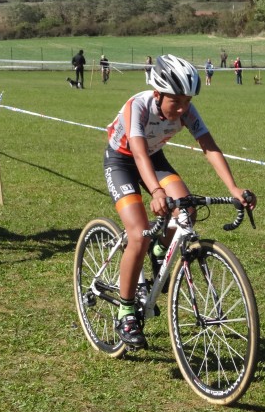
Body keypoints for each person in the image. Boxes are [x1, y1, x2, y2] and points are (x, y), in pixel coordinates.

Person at [103, 54, 256, 348]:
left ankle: (161, 248)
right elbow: (136, 152)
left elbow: (209, 147)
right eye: (177, 101)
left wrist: (234, 187)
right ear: (158, 94)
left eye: (188, 100)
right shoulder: (137, 106)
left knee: (186, 208)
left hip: (154, 157)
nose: (184, 108)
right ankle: (126, 311)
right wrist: (156, 192)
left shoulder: (186, 110)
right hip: (122, 161)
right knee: (137, 234)